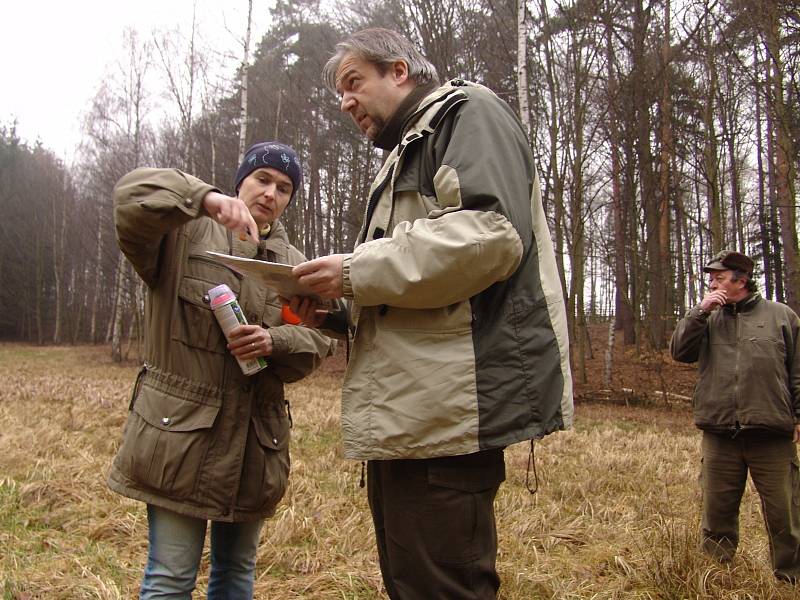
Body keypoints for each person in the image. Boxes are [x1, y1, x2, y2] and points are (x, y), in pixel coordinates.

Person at [289, 28, 573, 599]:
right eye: (340, 93)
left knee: (443, 587)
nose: (345, 103)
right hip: (410, 415)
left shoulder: (469, 113)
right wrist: (336, 311)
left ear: (399, 71)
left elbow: (490, 237)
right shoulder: (407, 149)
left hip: (449, 416)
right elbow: (415, 291)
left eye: (353, 83)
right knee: (412, 584)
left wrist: (352, 271)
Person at [107, 142, 337, 599]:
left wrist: (275, 340)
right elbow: (130, 197)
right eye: (262, 179)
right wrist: (205, 200)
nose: (271, 193)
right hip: (180, 440)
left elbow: (318, 340)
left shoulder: (295, 265)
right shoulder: (183, 234)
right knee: (170, 577)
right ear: (240, 182)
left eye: (285, 187)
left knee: (236, 576)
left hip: (255, 444)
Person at [670, 249, 800, 583]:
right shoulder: (708, 317)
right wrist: (700, 312)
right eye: (710, 277)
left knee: (785, 514)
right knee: (717, 513)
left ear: (741, 280)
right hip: (719, 432)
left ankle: (790, 577)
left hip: (771, 432)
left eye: (719, 277)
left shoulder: (782, 317)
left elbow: (797, 372)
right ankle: (715, 576)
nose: (712, 282)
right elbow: (679, 352)